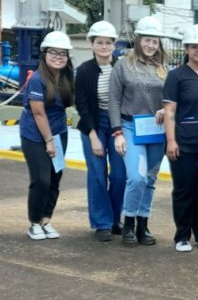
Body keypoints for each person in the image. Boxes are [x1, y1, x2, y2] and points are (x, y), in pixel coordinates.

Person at [109, 16, 168, 247]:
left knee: (150, 179)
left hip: (155, 130)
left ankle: (144, 224)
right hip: (130, 127)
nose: (151, 45)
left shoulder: (163, 68)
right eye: (147, 40)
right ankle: (129, 222)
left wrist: (165, 109)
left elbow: (170, 100)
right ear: (138, 40)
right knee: (136, 177)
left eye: (155, 41)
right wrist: (117, 132)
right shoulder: (123, 64)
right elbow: (113, 100)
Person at [163, 25, 198, 252]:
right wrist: (171, 141)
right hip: (183, 143)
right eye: (194, 47)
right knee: (184, 189)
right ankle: (182, 235)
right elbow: (170, 111)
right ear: (187, 48)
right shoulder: (176, 76)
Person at [74, 21, 126, 242]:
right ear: (92, 45)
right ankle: (102, 223)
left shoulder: (121, 67)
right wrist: (94, 136)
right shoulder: (84, 70)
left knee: (119, 175)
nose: (104, 46)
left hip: (117, 125)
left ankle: (116, 219)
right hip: (92, 125)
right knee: (97, 174)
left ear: (114, 45)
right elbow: (82, 105)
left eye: (108, 42)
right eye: (99, 42)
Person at [20, 31, 74, 241]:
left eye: (63, 53)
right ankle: (34, 222)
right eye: (53, 52)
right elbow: (39, 112)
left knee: (54, 178)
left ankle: (46, 219)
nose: (58, 57)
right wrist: (49, 141)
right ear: (44, 54)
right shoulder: (37, 78)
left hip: (59, 131)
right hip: (35, 135)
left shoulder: (67, 77)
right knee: (41, 179)